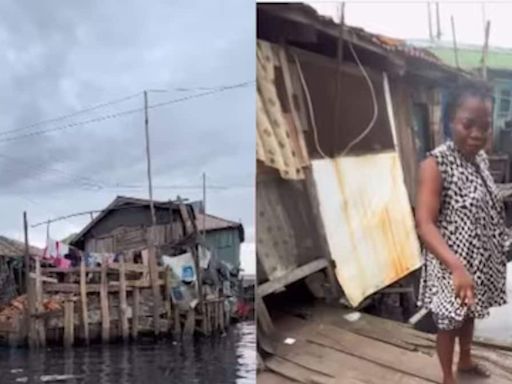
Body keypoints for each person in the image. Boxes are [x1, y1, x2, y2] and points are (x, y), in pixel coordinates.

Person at [415, 85, 508, 384]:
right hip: (449, 265)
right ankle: (447, 377)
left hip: (475, 263)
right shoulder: (435, 163)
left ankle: (465, 361)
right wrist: (456, 267)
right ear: (450, 122)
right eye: (469, 124)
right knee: (448, 323)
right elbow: (425, 224)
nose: (477, 134)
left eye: (484, 126)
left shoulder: (479, 159)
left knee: (468, 314)